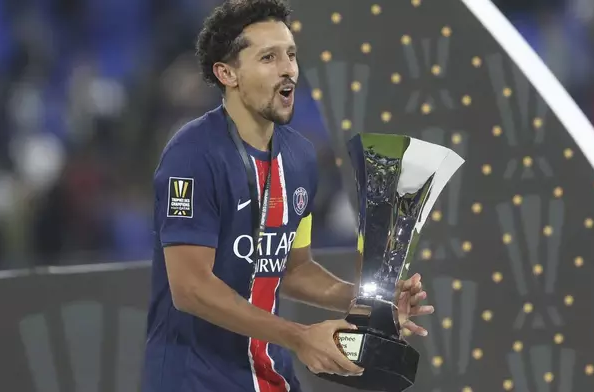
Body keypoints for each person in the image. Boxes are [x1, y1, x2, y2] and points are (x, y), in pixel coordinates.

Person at [142, 1, 435, 391]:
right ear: (227, 73)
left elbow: (293, 268)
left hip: (271, 376)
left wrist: (368, 302)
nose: (288, 69)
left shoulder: (299, 157)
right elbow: (191, 288)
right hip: (195, 379)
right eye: (268, 57)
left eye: (291, 55)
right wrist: (299, 336)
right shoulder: (192, 154)